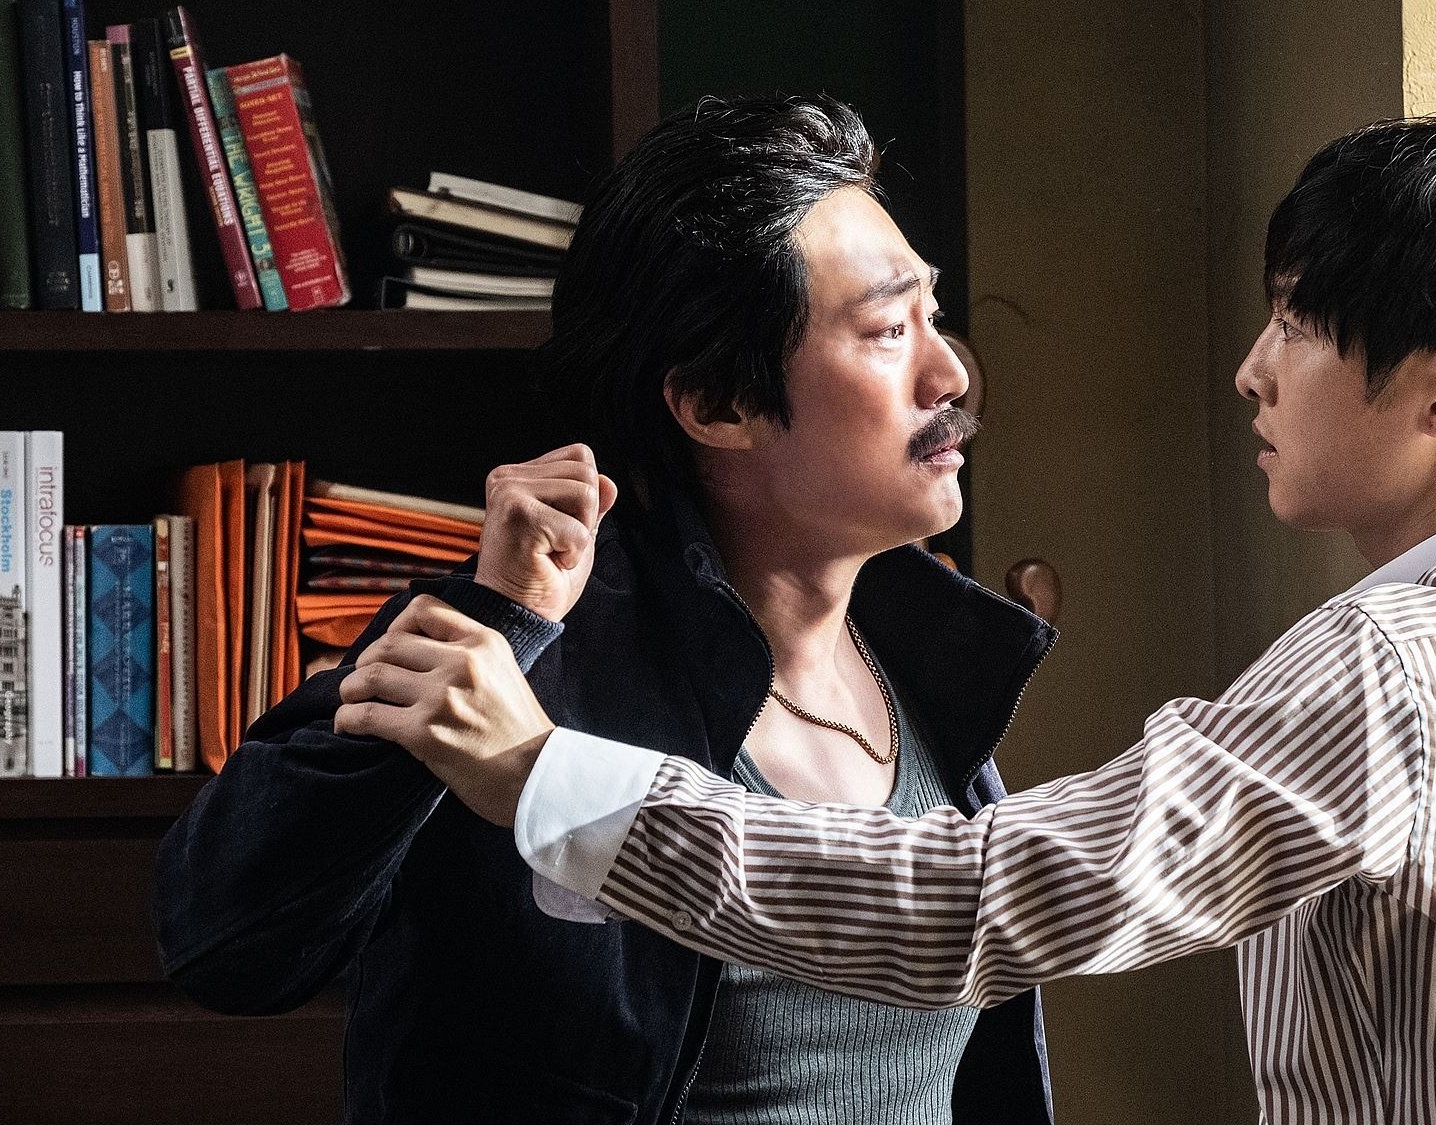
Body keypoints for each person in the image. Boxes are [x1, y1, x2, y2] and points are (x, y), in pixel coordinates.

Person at [344, 115, 1436, 1122]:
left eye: (1297, 321)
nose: (1252, 369)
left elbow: (977, 905)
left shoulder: (1392, 669)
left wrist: (541, 774)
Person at [153, 94, 1056, 1125]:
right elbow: (224, 941)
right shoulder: (523, 661)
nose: (949, 373)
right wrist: (499, 621)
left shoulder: (940, 664)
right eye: (889, 330)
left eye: (932, 315)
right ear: (717, 404)